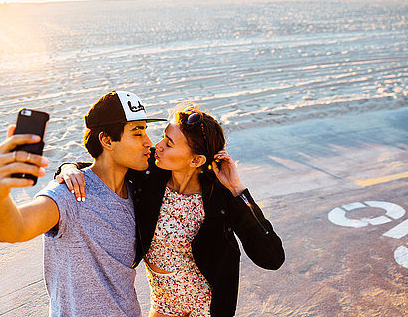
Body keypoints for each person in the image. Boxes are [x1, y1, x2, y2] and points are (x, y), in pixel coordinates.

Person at [57, 103, 285, 317]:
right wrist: (68, 167)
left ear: (195, 160)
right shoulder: (147, 177)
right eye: (164, 136)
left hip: (208, 307)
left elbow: (271, 258)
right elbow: (104, 167)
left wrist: (237, 189)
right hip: (164, 302)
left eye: (169, 142)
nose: (158, 145)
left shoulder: (221, 196)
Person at [0, 90, 166, 317]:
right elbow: (13, 229)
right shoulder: (70, 194)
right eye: (137, 133)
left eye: (145, 131)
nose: (148, 142)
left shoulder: (139, 190)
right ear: (107, 140)